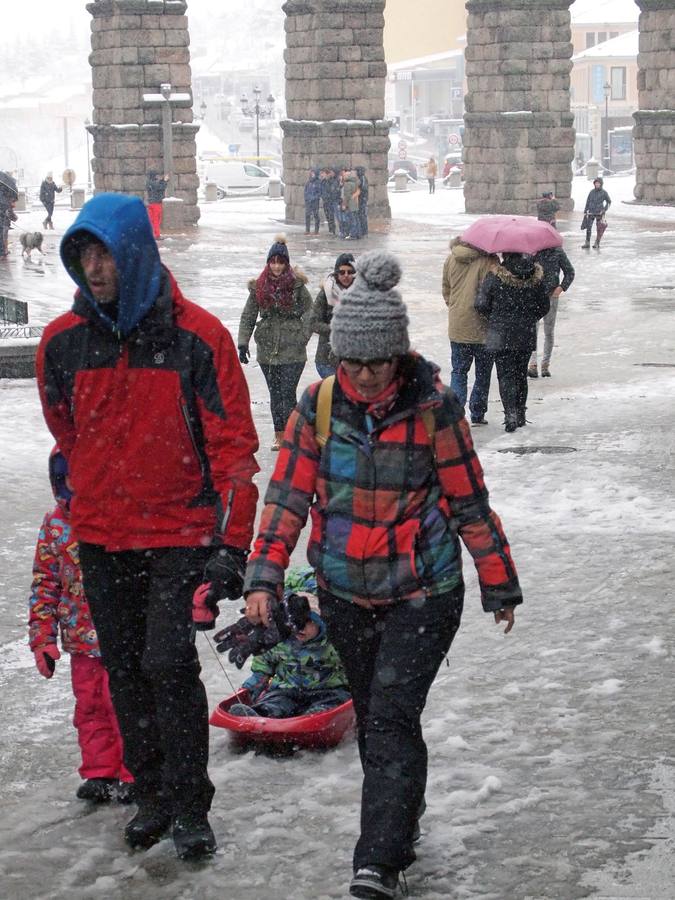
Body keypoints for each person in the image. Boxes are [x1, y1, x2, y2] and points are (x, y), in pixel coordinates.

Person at [243, 250, 522, 899]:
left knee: (391, 716)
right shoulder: (315, 407)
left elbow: (467, 504)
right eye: (352, 362)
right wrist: (262, 577)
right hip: (344, 590)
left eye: (375, 363)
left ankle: (377, 858)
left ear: (397, 355)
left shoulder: (433, 409)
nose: (364, 377)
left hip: (423, 594)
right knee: (376, 718)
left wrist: (497, 582)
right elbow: (285, 498)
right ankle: (399, 820)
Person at [36, 192, 260, 860]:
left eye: (104, 252)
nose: (94, 268)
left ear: (134, 252)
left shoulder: (200, 337)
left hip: (179, 534)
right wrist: (93, 494)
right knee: (125, 671)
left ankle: (191, 804)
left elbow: (235, 453)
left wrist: (230, 545)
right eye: (83, 255)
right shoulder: (62, 342)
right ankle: (151, 795)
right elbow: (64, 432)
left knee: (167, 665)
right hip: (102, 536)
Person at [28, 448, 134, 804]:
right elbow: (45, 583)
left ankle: (135, 771)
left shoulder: (121, 518)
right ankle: (100, 770)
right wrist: (42, 637)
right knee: (90, 707)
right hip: (81, 642)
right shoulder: (55, 526)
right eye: (72, 479)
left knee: (127, 706)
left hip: (123, 636)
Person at [238, 235, 313, 451]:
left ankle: (293, 434)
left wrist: (302, 336)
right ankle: (279, 434)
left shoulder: (297, 286)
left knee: (287, 392)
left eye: (281, 262)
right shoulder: (259, 287)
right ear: (268, 263)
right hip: (268, 347)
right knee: (275, 393)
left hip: (293, 348)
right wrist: (243, 342)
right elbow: (248, 316)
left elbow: (310, 313)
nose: (277, 266)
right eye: (273, 262)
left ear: (286, 263)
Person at [229, 592, 350, 719]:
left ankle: (316, 715)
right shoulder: (280, 643)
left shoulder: (334, 642)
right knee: (275, 701)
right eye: (295, 623)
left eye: (307, 622)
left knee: (332, 702)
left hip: (328, 690)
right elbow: (262, 668)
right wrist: (247, 690)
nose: (300, 628)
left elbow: (355, 666)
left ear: (320, 622)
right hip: (287, 690)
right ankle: (262, 713)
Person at [475, 252, 550, 432]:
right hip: (525, 333)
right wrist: (529, 318)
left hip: (501, 334)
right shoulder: (534, 277)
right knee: (520, 374)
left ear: (505, 255)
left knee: (505, 375)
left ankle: (510, 414)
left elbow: (481, 304)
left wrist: (494, 317)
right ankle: (521, 413)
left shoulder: (495, 276)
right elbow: (544, 306)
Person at [442, 237, 498, 426]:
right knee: (482, 373)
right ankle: (478, 412)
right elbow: (493, 293)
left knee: (459, 371)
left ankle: (456, 415)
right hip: (484, 328)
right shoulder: (488, 261)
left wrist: (455, 306)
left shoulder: (451, 258)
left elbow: (446, 289)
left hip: (458, 325)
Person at [528, 245, 575, 379]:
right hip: (534, 297)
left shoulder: (558, 251)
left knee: (548, 331)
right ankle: (532, 365)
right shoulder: (532, 251)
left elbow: (570, 272)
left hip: (551, 297)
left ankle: (545, 365)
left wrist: (560, 288)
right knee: (533, 330)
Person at [306, 252, 356, 378]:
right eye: (342, 272)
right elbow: (313, 322)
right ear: (336, 273)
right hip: (327, 359)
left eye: (349, 272)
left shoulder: (362, 294)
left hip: (355, 359)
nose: (346, 276)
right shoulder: (326, 293)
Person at [582, 177, 611, 249]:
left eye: (598, 183)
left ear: (601, 184)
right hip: (591, 212)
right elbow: (588, 201)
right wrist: (585, 211)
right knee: (589, 228)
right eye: (596, 183)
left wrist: (604, 209)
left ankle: (597, 243)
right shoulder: (591, 192)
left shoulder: (604, 193)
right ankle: (587, 242)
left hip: (599, 213)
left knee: (599, 228)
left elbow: (609, 202)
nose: (597, 184)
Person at [145, 170, 169, 239]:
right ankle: (157, 235)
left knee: (152, 220)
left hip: (151, 203)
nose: (157, 177)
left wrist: (162, 180)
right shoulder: (153, 183)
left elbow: (157, 185)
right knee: (157, 220)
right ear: (153, 176)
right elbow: (161, 187)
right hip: (156, 204)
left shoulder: (148, 182)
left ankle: (151, 234)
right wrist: (165, 181)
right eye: (156, 175)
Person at [341, 168, 361, 240]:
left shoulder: (347, 184)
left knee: (351, 220)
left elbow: (347, 196)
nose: (343, 176)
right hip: (355, 203)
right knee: (356, 219)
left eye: (344, 175)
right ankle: (358, 233)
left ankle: (353, 234)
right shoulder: (355, 183)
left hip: (350, 204)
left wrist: (344, 204)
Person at [320, 168, 340, 236]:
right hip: (325, 201)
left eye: (323, 173)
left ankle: (333, 230)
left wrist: (329, 197)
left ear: (327, 174)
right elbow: (322, 190)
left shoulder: (332, 181)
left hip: (330, 201)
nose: (322, 175)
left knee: (331, 216)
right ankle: (330, 229)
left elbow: (332, 191)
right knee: (327, 216)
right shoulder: (323, 181)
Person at [303, 169, 321, 235]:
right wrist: (306, 198)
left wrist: (314, 198)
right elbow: (305, 191)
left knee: (316, 215)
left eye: (313, 173)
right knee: (307, 215)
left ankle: (316, 230)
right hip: (308, 201)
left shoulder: (318, 182)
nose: (311, 174)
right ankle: (307, 230)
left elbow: (319, 192)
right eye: (311, 173)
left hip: (315, 201)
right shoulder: (308, 182)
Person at [355, 166, 369, 237]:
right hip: (362, 199)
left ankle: (364, 231)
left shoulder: (362, 178)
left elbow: (362, 188)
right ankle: (363, 230)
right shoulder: (362, 178)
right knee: (361, 215)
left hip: (362, 199)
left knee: (362, 215)